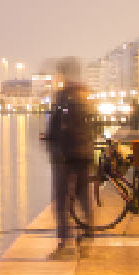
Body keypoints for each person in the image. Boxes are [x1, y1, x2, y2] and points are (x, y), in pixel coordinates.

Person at [44, 68, 96, 255]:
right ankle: (88, 239)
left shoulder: (61, 99)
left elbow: (53, 129)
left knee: (61, 200)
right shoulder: (86, 98)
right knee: (84, 198)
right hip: (85, 155)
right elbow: (94, 125)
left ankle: (65, 244)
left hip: (65, 157)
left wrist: (50, 142)